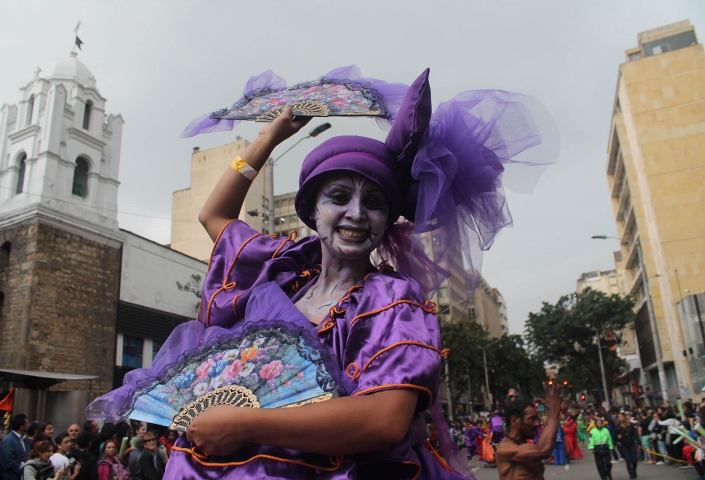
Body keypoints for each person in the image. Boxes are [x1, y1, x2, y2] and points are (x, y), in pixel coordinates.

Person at [87, 67, 556, 479]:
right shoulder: (283, 269)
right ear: (311, 209)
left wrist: (242, 423)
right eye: (339, 197)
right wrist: (270, 137)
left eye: (373, 203)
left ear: (387, 220)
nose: (356, 213)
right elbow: (215, 214)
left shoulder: (393, 301)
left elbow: (384, 421)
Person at [495, 383, 562, 480]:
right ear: (514, 421)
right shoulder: (505, 449)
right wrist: (554, 411)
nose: (537, 424)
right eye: (532, 419)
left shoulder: (525, 446)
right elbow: (543, 450)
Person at [0, 413, 30, 480]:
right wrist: (24, 471)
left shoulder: (25, 439)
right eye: (27, 423)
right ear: (21, 426)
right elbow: (8, 462)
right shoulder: (8, 440)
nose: (29, 425)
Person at [615, 413, 639, 479]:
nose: (621, 418)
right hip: (623, 445)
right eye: (619, 417)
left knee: (634, 460)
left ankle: (634, 470)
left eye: (621, 416)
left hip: (631, 444)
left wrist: (639, 443)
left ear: (624, 417)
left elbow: (635, 434)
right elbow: (614, 436)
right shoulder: (617, 426)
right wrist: (617, 437)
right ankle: (631, 474)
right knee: (628, 460)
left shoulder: (630, 425)